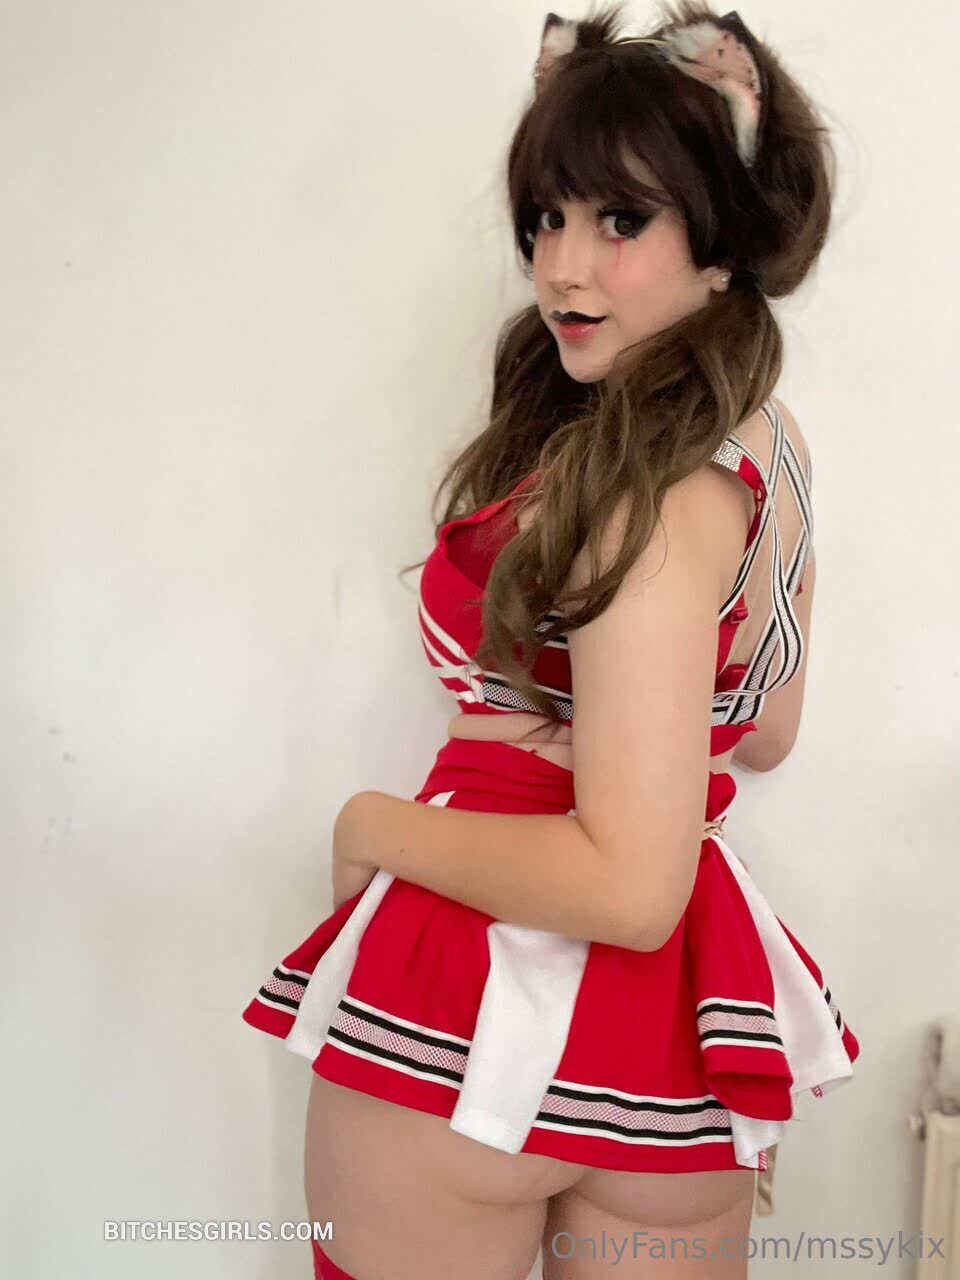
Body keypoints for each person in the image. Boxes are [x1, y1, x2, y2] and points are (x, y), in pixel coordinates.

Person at [242, 4, 861, 1276]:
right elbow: (766, 732)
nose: (563, 267)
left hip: (464, 1002)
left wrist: (371, 824)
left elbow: (628, 886)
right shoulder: (769, 445)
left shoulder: (640, 494)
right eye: (547, 218)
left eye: (621, 220)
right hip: (669, 1058)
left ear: (723, 240)